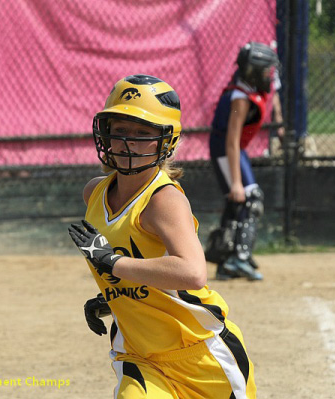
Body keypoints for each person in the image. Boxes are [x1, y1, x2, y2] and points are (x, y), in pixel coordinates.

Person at [68, 74, 257, 398]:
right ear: (105, 132)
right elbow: (139, 266)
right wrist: (114, 298)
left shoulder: (163, 200)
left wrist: (114, 264)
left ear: (165, 141)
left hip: (201, 355)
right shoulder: (94, 194)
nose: (128, 142)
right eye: (121, 130)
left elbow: (193, 273)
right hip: (140, 358)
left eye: (143, 134)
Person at [206, 42, 279, 281]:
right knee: (247, 197)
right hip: (225, 150)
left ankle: (230, 259)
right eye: (265, 70)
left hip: (234, 149)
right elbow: (231, 140)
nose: (269, 74)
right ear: (252, 71)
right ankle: (238, 256)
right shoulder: (240, 96)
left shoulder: (247, 89)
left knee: (245, 200)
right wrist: (236, 182)